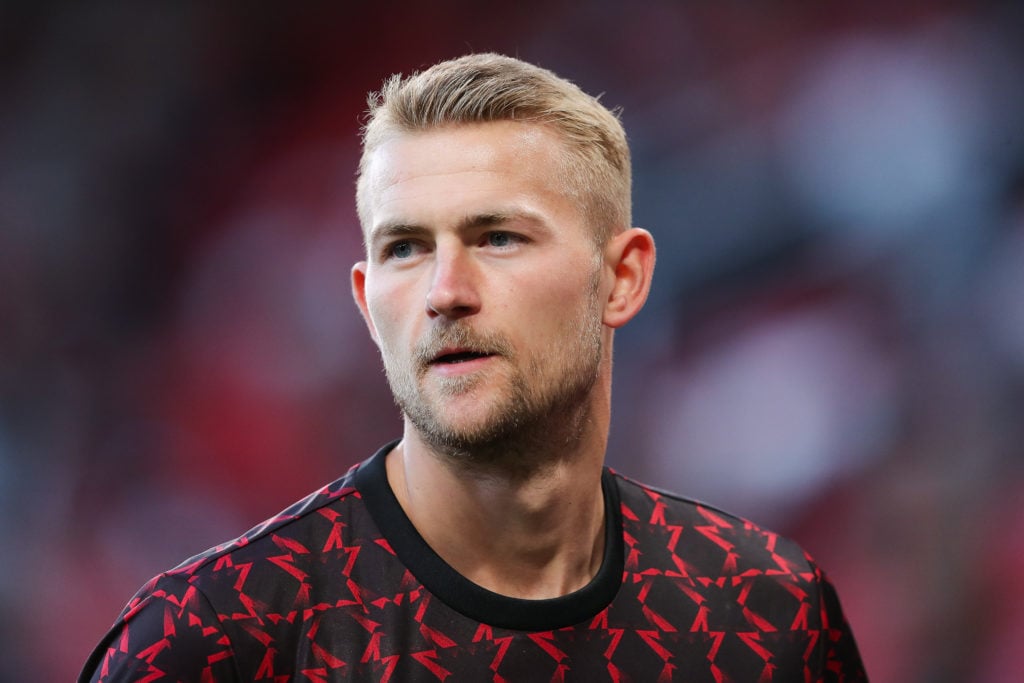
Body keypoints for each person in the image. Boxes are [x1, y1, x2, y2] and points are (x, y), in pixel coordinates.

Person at [80, 53, 867, 682]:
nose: (445, 293)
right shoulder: (214, 642)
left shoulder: (767, 615)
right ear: (364, 298)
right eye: (406, 248)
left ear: (621, 277)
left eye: (498, 237)